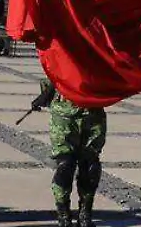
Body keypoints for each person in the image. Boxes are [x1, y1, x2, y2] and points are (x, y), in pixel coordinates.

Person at [30, 77, 107, 227]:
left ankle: (85, 214)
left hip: (93, 106)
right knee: (66, 165)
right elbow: (57, 64)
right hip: (64, 109)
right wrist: (48, 91)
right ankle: (63, 215)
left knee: (91, 165)